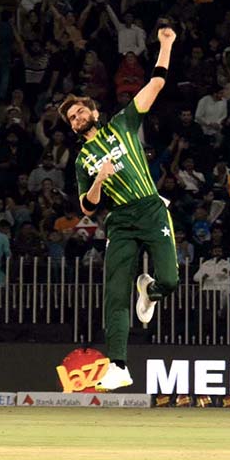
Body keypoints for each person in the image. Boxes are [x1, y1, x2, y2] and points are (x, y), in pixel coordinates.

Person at [58, 24, 178, 391]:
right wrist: (98, 179)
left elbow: (156, 84)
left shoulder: (124, 122)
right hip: (121, 220)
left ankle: (151, 291)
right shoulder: (81, 160)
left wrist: (166, 45)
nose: (77, 119)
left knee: (170, 281)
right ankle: (119, 365)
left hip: (152, 210)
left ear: (93, 110)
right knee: (113, 292)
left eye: (80, 112)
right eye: (71, 119)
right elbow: (88, 208)